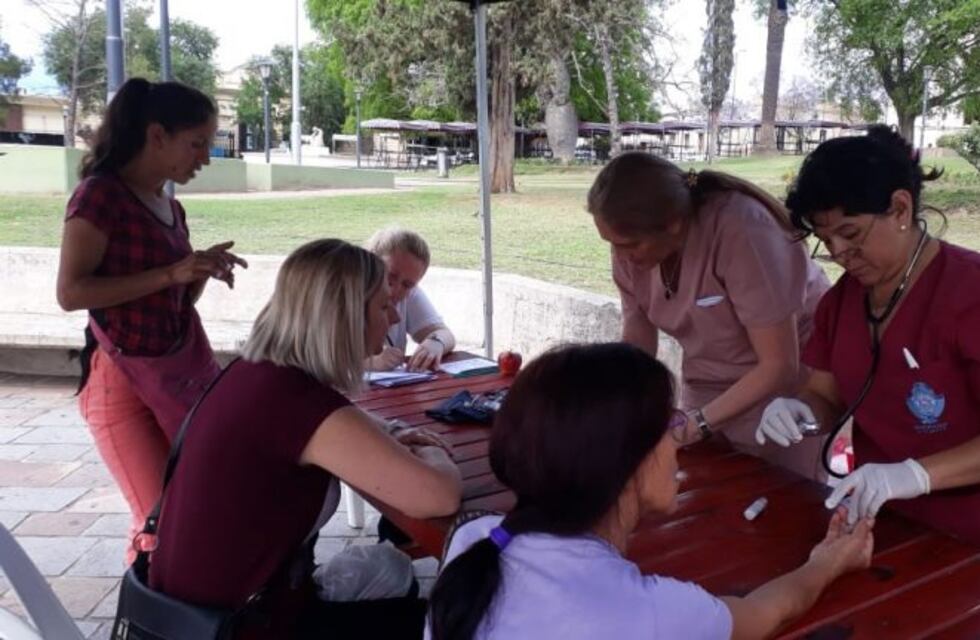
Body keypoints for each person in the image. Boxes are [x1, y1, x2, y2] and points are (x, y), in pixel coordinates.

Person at [426, 343, 873, 640]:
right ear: (628, 462)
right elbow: (765, 614)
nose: (678, 442)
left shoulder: (476, 538)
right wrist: (829, 561)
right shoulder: (644, 612)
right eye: (670, 425)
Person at [150, 238, 462, 639]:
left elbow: (333, 423)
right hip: (238, 625)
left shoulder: (256, 373)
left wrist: (394, 431)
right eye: (383, 306)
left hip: (195, 613)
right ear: (345, 317)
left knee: (393, 576)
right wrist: (434, 450)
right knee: (460, 621)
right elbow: (439, 496)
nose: (393, 319)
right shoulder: (295, 400)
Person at [755, 126, 980, 544]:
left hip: (968, 531)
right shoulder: (840, 303)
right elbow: (824, 394)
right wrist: (801, 411)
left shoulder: (969, 292)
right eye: (825, 239)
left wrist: (916, 475)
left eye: (851, 233)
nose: (839, 253)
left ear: (900, 209)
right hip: (880, 519)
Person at [55, 78, 246, 563]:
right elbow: (71, 293)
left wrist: (197, 272)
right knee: (160, 523)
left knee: (192, 510)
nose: (204, 158)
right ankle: (148, 603)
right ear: (157, 135)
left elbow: (173, 300)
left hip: (168, 373)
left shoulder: (170, 207)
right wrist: (170, 273)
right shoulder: (100, 196)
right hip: (120, 382)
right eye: (197, 143)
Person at [587, 152, 830, 479]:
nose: (621, 256)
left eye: (630, 245)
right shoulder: (633, 245)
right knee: (699, 484)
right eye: (612, 244)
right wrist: (615, 404)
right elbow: (637, 339)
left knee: (778, 495)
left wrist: (695, 425)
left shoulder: (743, 229)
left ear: (673, 223)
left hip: (780, 398)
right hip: (707, 382)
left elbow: (779, 364)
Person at [365, 227, 456, 371]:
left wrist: (434, 343)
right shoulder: (345, 296)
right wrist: (371, 364)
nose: (395, 290)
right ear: (369, 263)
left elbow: (445, 334)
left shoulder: (409, 294)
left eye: (407, 285)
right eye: (390, 276)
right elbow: (327, 365)